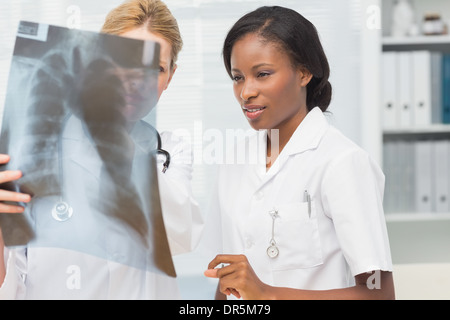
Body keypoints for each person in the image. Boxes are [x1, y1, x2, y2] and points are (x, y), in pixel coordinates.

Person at [0, 0, 202, 299]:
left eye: (156, 68)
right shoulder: (30, 147)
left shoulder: (171, 150)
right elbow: (10, 278)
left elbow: (182, 236)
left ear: (170, 77)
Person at [204, 6, 395, 300]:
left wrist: (268, 293)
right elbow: (228, 279)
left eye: (262, 74)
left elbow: (378, 294)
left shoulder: (341, 162)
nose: (246, 92)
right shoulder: (232, 161)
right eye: (238, 77)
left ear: (304, 72)